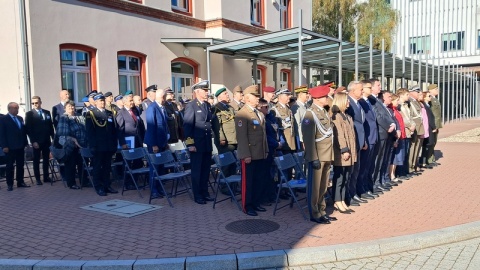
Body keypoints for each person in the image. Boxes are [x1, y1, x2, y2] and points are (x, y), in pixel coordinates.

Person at [302, 85, 335, 223]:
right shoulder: (310, 114)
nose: (327, 98)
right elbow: (308, 139)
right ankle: (314, 213)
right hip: (318, 156)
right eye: (325, 96)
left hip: (326, 154)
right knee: (315, 188)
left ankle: (322, 210)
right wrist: (313, 157)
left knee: (323, 186)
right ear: (317, 98)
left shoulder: (323, 112)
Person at [235, 85, 268, 216]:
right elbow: (242, 137)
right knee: (248, 182)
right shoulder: (242, 114)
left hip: (259, 152)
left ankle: (255, 202)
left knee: (258, 180)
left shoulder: (258, 113)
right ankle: (247, 206)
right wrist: (245, 155)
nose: (258, 99)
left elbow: (263, 135)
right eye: (255, 97)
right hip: (249, 154)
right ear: (248, 98)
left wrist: (265, 150)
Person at [183, 80, 214, 205]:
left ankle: (204, 192)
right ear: (197, 92)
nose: (207, 92)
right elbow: (187, 126)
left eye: (207, 90)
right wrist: (190, 144)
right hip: (196, 144)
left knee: (206, 169)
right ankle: (197, 195)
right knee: (197, 170)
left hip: (206, 143)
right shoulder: (191, 105)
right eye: (204, 90)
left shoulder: (207, 105)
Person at [85, 93, 118, 196]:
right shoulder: (91, 114)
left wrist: (114, 144)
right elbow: (90, 132)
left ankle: (107, 185)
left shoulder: (109, 113)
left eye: (103, 100)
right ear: (95, 102)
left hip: (108, 145)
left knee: (107, 167)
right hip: (98, 146)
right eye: (100, 101)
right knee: (97, 167)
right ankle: (98, 187)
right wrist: (93, 146)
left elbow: (114, 130)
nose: (102, 102)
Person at [330, 92, 356, 214]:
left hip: (350, 151)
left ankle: (342, 199)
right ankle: (337, 200)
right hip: (341, 153)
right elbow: (339, 135)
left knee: (346, 177)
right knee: (339, 177)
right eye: (346, 100)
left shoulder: (347, 116)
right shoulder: (336, 116)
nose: (348, 103)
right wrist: (344, 150)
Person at [144, 88, 170, 199]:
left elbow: (164, 126)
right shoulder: (152, 108)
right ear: (161, 97)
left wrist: (166, 141)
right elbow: (151, 126)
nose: (165, 99)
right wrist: (154, 144)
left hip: (162, 143)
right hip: (154, 144)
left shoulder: (162, 108)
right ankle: (154, 190)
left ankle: (160, 189)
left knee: (161, 167)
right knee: (154, 167)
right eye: (164, 97)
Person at [116, 94, 146, 191]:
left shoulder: (135, 111)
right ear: (124, 102)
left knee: (138, 161)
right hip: (128, 142)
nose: (132, 102)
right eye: (130, 101)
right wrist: (122, 142)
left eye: (132, 101)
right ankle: (127, 183)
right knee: (128, 162)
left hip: (137, 141)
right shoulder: (121, 113)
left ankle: (135, 181)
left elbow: (140, 126)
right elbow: (119, 129)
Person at [55, 100, 87, 189]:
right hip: (70, 146)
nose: (71, 108)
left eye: (73, 106)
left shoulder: (79, 116)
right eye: (69, 107)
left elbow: (85, 128)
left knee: (82, 164)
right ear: (65, 108)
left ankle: (83, 182)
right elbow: (62, 133)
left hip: (82, 145)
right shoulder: (64, 118)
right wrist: (73, 140)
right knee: (71, 165)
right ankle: (71, 183)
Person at [258, 98, 284, 204]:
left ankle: (273, 195)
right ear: (260, 108)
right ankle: (265, 197)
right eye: (265, 107)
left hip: (275, 149)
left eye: (268, 106)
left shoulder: (270, 118)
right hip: (267, 149)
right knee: (266, 175)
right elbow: (265, 136)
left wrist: (281, 142)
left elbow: (278, 131)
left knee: (274, 175)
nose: (267, 109)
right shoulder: (261, 119)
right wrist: (276, 144)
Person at [345, 81, 366, 206]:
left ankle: (353, 193)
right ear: (353, 91)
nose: (362, 92)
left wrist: (364, 141)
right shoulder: (348, 103)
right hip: (353, 141)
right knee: (350, 171)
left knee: (356, 169)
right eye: (360, 89)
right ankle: (348, 195)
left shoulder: (359, 103)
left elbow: (361, 123)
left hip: (359, 140)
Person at [25, 96, 55, 185]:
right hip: (37, 141)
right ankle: (38, 178)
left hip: (46, 140)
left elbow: (50, 127)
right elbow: (28, 129)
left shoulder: (47, 112)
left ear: (40, 102)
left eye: (36, 103)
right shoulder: (30, 114)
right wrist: (33, 141)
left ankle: (46, 176)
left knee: (46, 159)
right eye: (33, 103)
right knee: (36, 160)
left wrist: (53, 138)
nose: (35, 105)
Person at [0, 102, 30, 191]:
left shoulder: (20, 118)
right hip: (10, 147)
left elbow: (23, 132)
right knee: (10, 166)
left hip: (20, 146)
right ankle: (10, 184)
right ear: (9, 109)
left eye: (17, 108)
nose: (17, 109)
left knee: (20, 165)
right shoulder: (3, 119)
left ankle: (20, 181)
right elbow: (2, 134)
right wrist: (4, 146)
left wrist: (26, 143)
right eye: (15, 108)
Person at [357, 80, 378, 199]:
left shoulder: (368, 101)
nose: (371, 89)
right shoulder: (360, 102)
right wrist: (364, 140)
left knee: (368, 165)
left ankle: (366, 186)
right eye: (369, 87)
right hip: (366, 138)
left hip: (372, 137)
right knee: (363, 166)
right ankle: (361, 189)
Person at [212, 87, 237, 176]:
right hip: (224, 141)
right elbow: (217, 125)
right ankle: (225, 188)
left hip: (233, 139)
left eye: (227, 93)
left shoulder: (230, 108)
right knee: (226, 165)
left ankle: (233, 186)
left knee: (233, 164)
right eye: (225, 94)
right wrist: (221, 138)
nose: (227, 95)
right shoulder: (216, 108)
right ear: (219, 97)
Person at [407, 85, 425, 175]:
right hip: (414, 126)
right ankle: (410, 167)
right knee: (413, 147)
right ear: (411, 92)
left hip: (419, 126)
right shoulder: (409, 101)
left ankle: (413, 165)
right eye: (417, 92)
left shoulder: (415, 101)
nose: (418, 94)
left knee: (417, 147)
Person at [388, 94, 406, 182]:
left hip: (400, 135)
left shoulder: (396, 110)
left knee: (397, 156)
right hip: (395, 136)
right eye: (396, 100)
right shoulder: (391, 110)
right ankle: (391, 174)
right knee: (394, 157)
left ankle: (393, 174)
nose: (398, 102)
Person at [419, 90, 436, 169]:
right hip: (427, 127)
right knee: (427, 144)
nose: (430, 97)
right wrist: (433, 126)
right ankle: (423, 162)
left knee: (430, 144)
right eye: (429, 96)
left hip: (429, 127)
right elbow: (428, 118)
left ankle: (426, 161)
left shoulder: (427, 105)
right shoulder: (424, 105)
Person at [291, 85, 309, 150]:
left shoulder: (306, 106)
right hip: (302, 138)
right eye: (306, 93)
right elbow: (297, 125)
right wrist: (302, 140)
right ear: (300, 95)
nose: (308, 95)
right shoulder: (296, 107)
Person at [428, 84, 442, 166]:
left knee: (434, 142)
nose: (437, 90)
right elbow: (431, 113)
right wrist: (433, 125)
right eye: (436, 89)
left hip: (436, 124)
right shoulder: (430, 99)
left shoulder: (435, 99)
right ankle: (429, 159)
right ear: (430, 90)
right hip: (433, 124)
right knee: (431, 142)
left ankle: (432, 159)